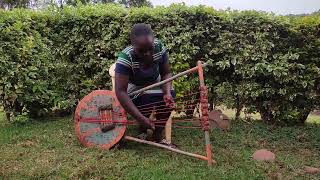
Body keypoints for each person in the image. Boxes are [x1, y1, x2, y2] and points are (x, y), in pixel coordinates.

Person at [115, 23, 175, 144]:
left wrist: (167, 92)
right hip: (134, 86)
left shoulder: (159, 47)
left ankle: (158, 132)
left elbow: (166, 73)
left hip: (156, 81)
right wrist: (141, 118)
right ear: (133, 45)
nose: (147, 53)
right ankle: (143, 127)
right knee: (147, 98)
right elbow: (120, 91)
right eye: (141, 51)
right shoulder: (126, 57)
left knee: (170, 96)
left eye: (150, 48)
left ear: (153, 42)